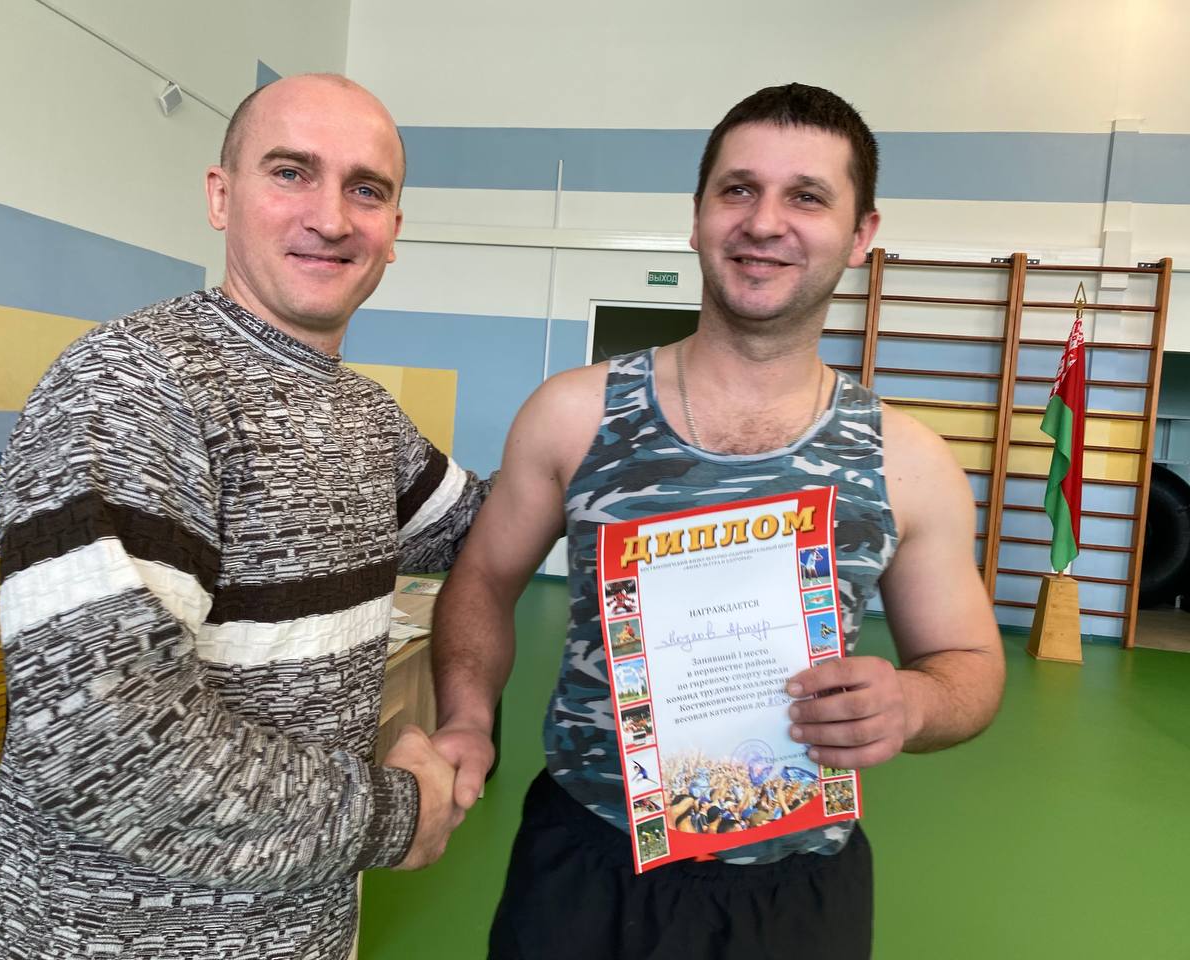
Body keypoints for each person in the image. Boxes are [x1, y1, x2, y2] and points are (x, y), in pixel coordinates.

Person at [429, 82, 1005, 959]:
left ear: (860, 234)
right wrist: (468, 716)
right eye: (738, 189)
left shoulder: (907, 463)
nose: (764, 222)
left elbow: (971, 664)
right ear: (696, 217)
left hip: (798, 886)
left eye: (806, 196)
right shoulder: (574, 414)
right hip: (584, 861)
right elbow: (482, 579)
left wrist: (915, 703)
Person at [0, 74, 486, 960]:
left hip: (304, 932)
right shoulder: (131, 384)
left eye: (366, 189)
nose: (330, 218)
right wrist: (394, 814)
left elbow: (482, 528)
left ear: (394, 229)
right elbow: (105, 747)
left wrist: (656, 447)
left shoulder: (367, 419)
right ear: (220, 195)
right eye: (291, 172)